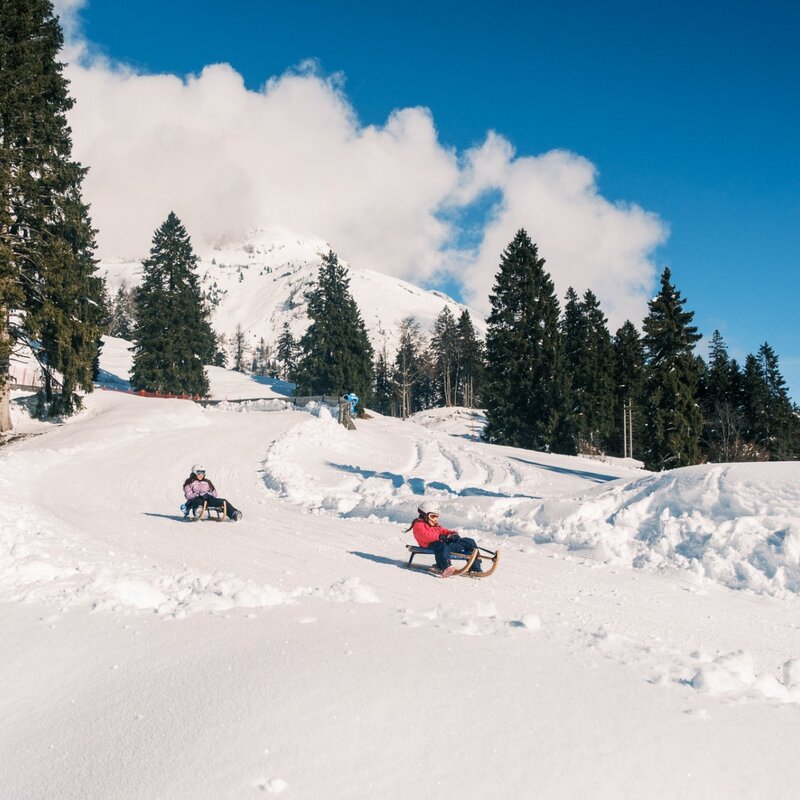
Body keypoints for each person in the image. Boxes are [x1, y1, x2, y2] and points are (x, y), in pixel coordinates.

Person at [409, 500, 481, 578]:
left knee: (469, 542)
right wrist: (440, 537)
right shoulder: (419, 525)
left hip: (444, 546)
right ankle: (445, 567)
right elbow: (425, 535)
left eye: (437, 517)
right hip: (430, 545)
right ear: (424, 515)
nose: (435, 519)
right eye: (433, 516)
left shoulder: (436, 526)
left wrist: (453, 534)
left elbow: (445, 531)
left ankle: (475, 567)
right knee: (441, 545)